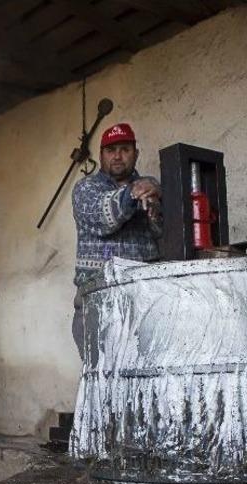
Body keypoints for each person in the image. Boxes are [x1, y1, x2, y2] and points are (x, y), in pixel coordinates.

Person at [70, 122, 163, 359]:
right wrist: (133, 193)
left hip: (145, 303)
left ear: (136, 153)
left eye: (125, 149)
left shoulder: (151, 189)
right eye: (111, 150)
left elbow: (165, 231)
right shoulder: (86, 189)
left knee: (147, 382)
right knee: (101, 384)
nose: (118, 156)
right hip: (98, 304)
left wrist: (157, 200)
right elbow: (104, 217)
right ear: (101, 156)